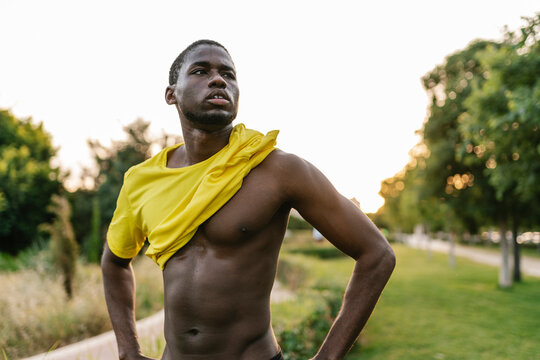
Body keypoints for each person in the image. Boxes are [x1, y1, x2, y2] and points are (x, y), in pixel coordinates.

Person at [101, 39, 395, 360]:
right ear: (171, 94)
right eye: (201, 71)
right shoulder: (141, 181)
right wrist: (128, 350)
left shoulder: (277, 170)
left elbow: (376, 254)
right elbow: (115, 262)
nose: (218, 80)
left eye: (229, 74)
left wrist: (325, 358)